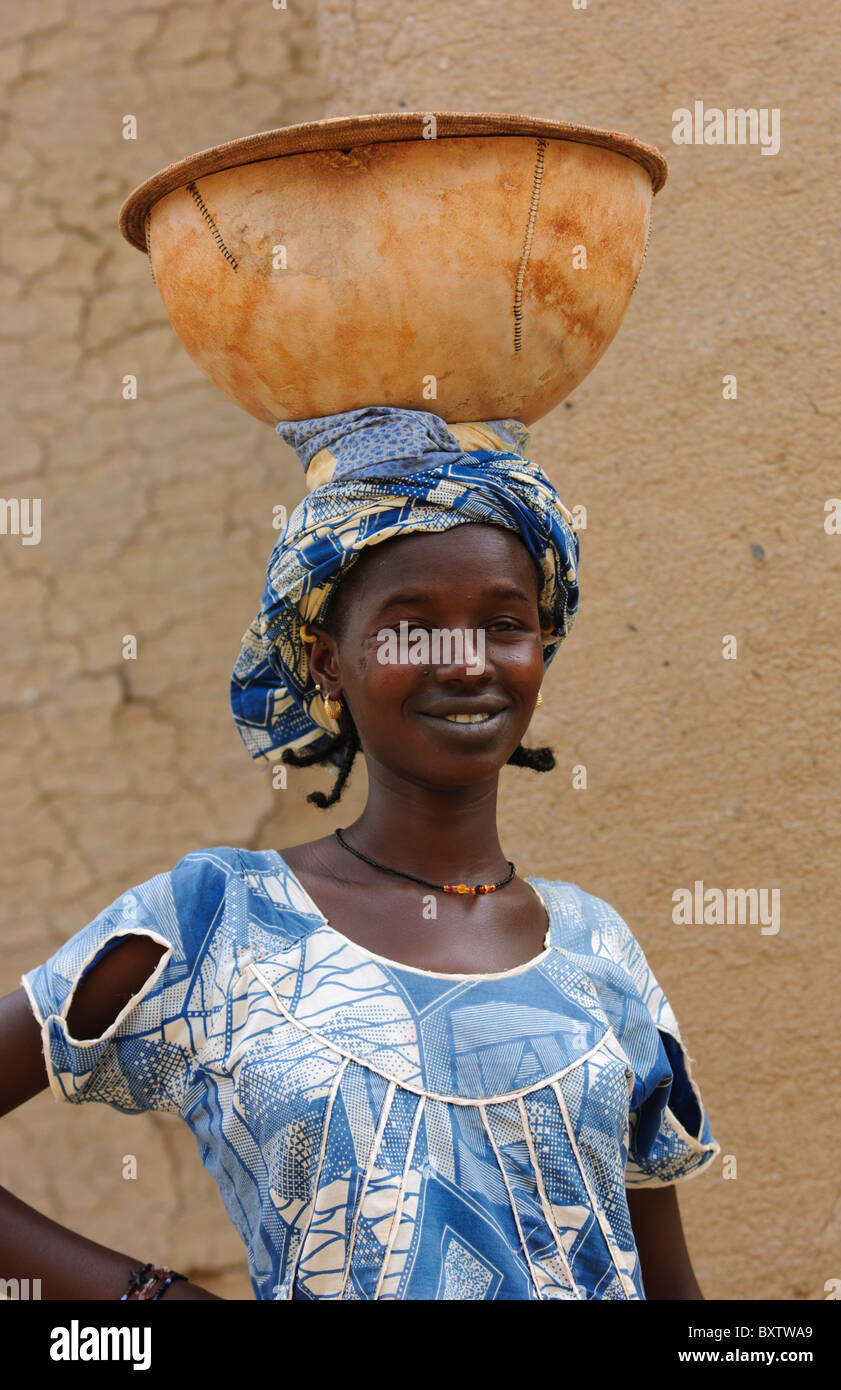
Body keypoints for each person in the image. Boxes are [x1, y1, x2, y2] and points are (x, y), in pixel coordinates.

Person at [0, 407, 719, 1300]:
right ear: (326, 658)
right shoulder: (216, 921)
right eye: (410, 627)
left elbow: (675, 1297)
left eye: (503, 622)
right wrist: (147, 1306)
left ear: (541, 646)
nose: (464, 664)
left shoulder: (595, 950)